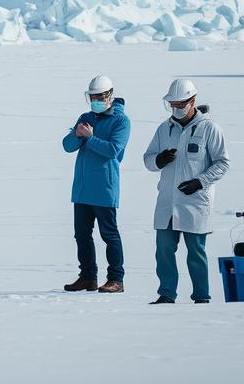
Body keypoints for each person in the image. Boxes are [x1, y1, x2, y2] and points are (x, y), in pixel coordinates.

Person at [142, 79, 230, 304]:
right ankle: (166, 294)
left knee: (196, 253)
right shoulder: (164, 129)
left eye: (180, 104)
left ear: (193, 101)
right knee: (163, 251)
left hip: (195, 202)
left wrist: (200, 182)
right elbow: (148, 159)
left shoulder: (209, 129)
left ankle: (201, 296)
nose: (176, 109)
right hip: (167, 202)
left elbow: (222, 163)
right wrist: (159, 160)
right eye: (172, 104)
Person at [59, 75, 130, 294]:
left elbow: (112, 150)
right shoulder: (86, 116)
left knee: (109, 234)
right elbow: (67, 145)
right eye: (92, 97)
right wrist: (79, 136)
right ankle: (88, 277)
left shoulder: (121, 121)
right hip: (82, 189)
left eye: (99, 96)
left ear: (110, 95)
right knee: (81, 234)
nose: (95, 100)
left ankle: (116, 279)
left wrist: (90, 138)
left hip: (104, 189)